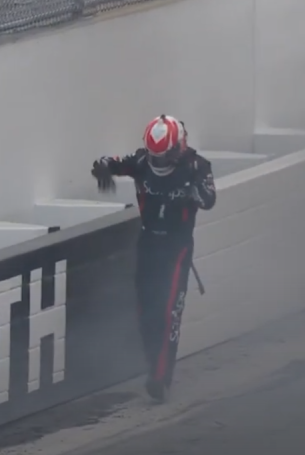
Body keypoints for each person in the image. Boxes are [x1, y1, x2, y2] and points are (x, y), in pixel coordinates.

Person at [90, 114, 216, 403]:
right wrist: (103, 169)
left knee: (170, 309)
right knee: (146, 311)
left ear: (177, 147)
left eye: (163, 157)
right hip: (148, 242)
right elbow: (110, 161)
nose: (158, 163)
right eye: (154, 157)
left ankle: (161, 377)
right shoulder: (142, 161)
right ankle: (152, 364)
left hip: (178, 246)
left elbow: (209, 198)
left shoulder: (197, 165)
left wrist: (188, 193)